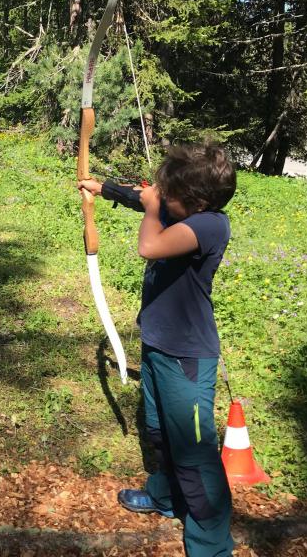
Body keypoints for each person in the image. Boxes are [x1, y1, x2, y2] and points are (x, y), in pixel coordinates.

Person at [78, 142, 237, 557]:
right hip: (158, 346)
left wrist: (152, 208)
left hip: (187, 358)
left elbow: (149, 244)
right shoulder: (186, 210)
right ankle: (166, 498)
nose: (163, 199)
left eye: (170, 196)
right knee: (161, 432)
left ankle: (211, 546)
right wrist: (101, 188)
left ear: (195, 201)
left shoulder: (210, 226)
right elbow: (143, 197)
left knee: (195, 451)